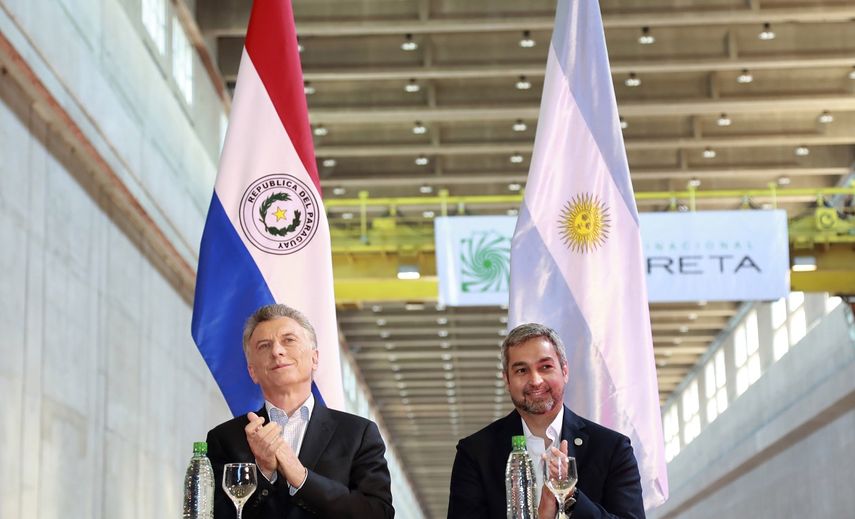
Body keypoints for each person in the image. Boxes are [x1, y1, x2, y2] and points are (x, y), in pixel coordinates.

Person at [206, 304, 394, 518]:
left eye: (289, 340)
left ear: (315, 359)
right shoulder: (226, 439)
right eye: (264, 345)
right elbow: (214, 514)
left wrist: (301, 477)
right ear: (252, 372)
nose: (277, 351)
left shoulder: (358, 434)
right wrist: (264, 472)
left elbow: (379, 513)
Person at [447, 323, 645, 519]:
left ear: (564, 371)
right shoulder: (475, 453)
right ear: (507, 380)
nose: (535, 381)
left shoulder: (611, 448)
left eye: (545, 367)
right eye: (522, 370)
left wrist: (569, 494)